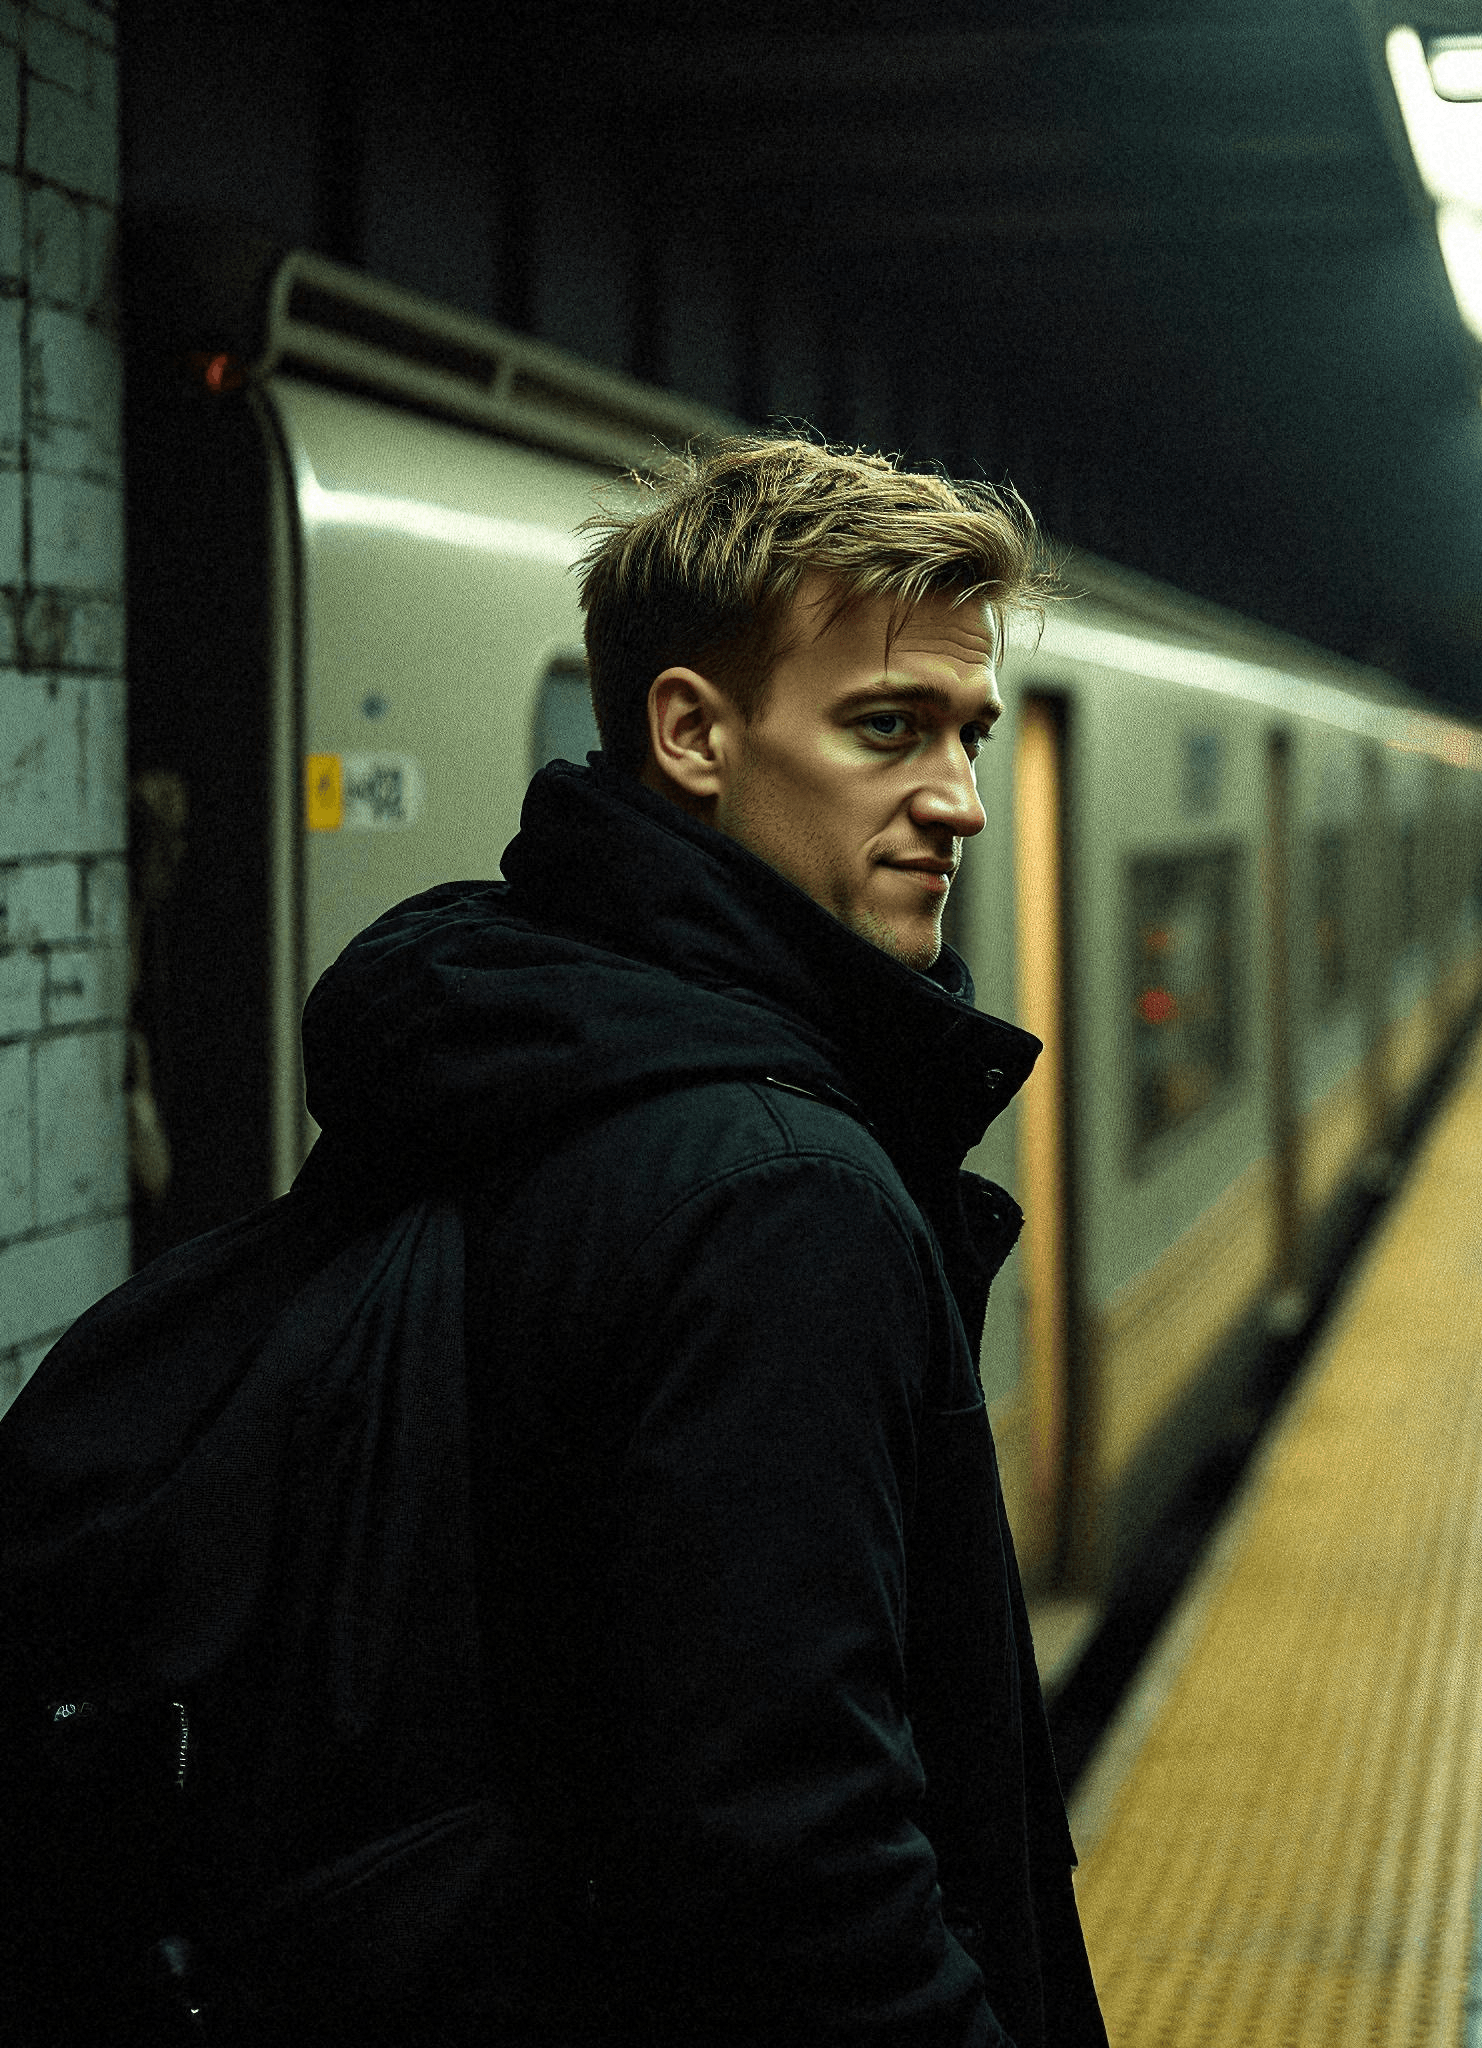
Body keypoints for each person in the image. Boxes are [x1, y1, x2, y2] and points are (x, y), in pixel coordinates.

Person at [298, 438, 1108, 2040]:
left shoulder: (522, 1035)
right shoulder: (775, 1192)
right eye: (888, 729)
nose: (957, 800)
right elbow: (800, 1878)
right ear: (690, 732)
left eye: (967, 736)